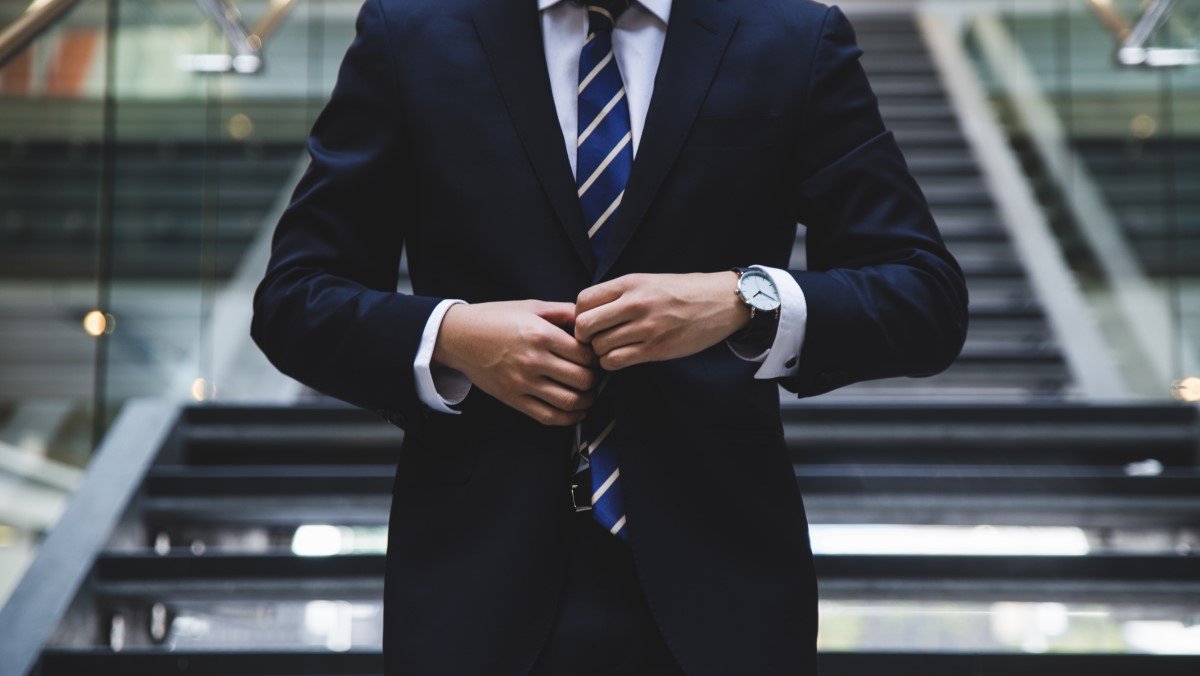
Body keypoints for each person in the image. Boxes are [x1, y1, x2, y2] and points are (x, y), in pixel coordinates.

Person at [250, 0, 968, 673]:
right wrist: (451, 335)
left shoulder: (792, 38)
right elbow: (294, 298)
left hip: (724, 593)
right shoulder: (409, 31)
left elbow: (923, 296)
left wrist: (745, 298)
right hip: (471, 586)